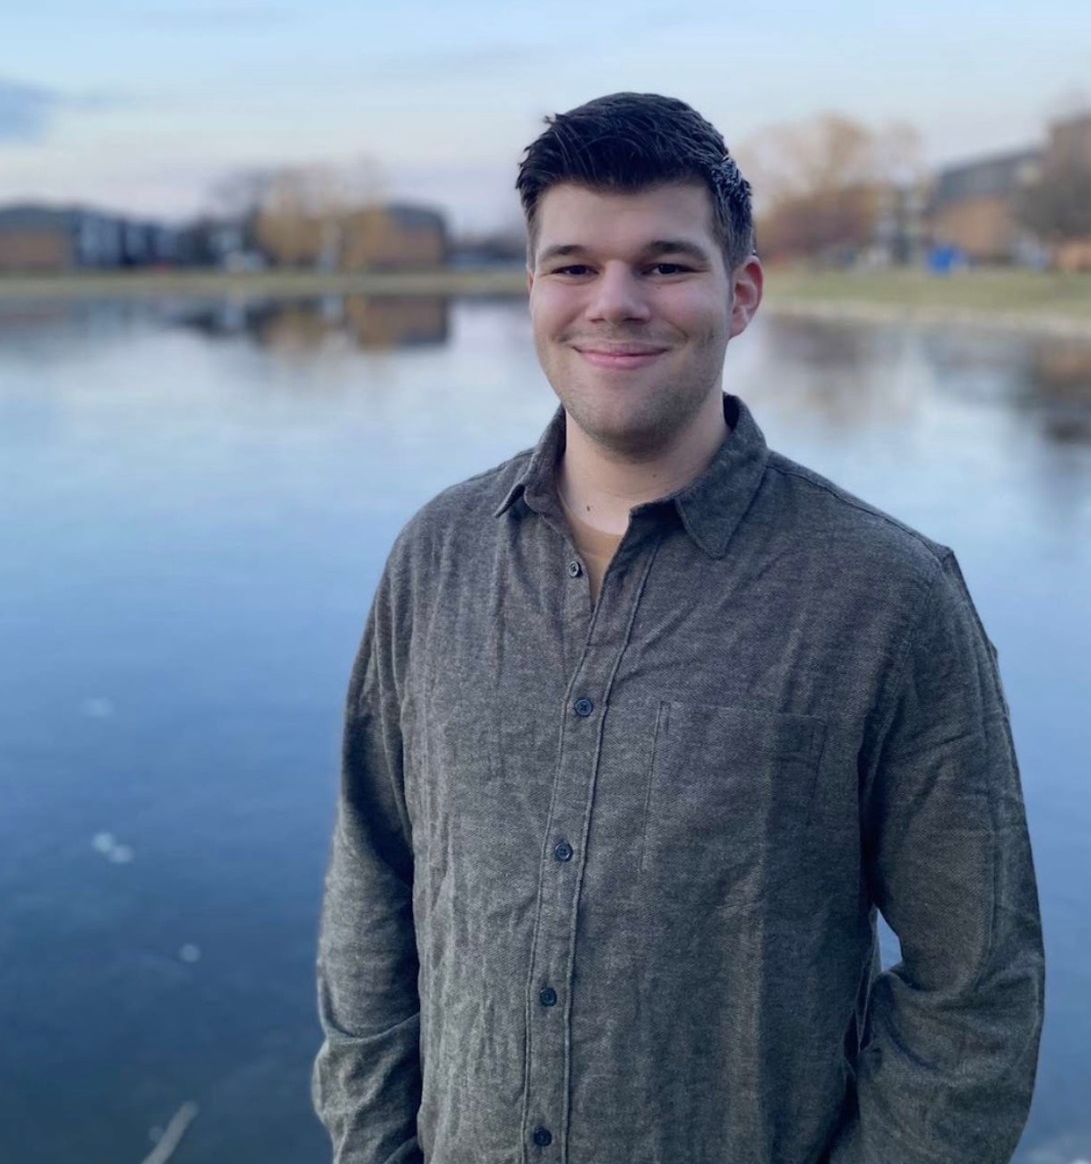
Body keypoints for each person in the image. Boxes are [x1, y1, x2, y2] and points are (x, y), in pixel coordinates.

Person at [313, 92, 1044, 1164]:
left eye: (663, 264)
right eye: (572, 266)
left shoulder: (887, 598)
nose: (613, 303)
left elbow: (975, 991)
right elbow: (371, 886)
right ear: (531, 290)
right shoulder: (435, 556)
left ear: (740, 292)